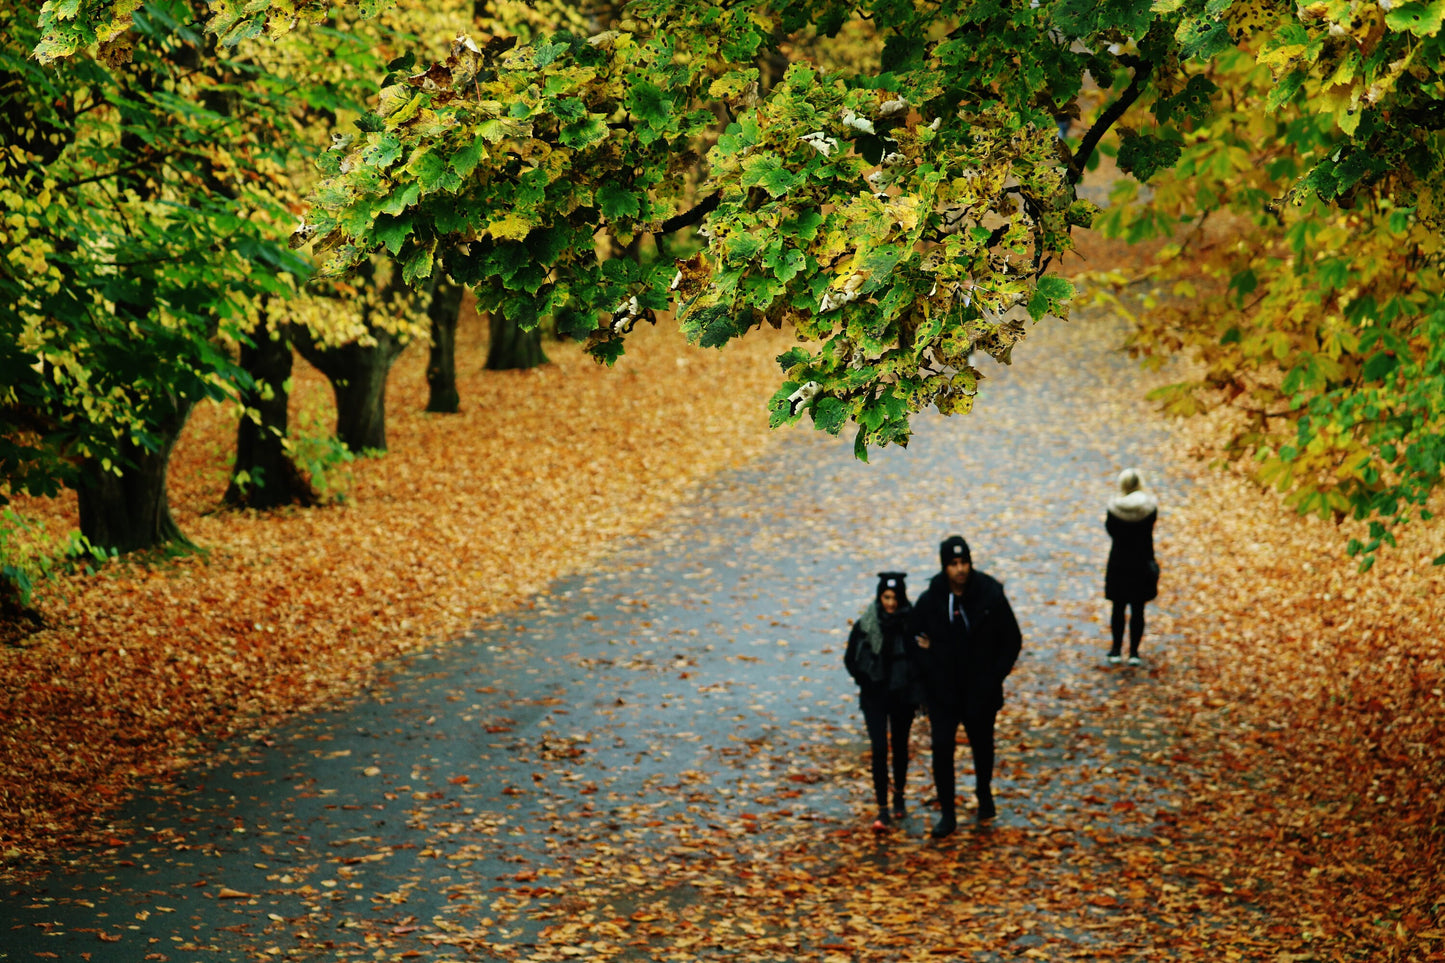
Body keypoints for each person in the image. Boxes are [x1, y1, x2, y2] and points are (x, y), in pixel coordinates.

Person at [909, 536, 1022, 837]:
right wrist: (928, 668)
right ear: (944, 566)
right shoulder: (932, 598)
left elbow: (1011, 639)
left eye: (964, 562)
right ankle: (948, 813)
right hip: (943, 691)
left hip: (980, 690)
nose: (960, 569)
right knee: (942, 749)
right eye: (953, 564)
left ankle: (984, 793)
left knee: (982, 745)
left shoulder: (989, 594)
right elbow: (913, 638)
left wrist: (993, 676)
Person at [843, 572, 922, 831]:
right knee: (879, 749)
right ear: (880, 597)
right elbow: (850, 658)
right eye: (886, 597)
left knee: (900, 746)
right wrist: (865, 680)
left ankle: (899, 795)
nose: (890, 603)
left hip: (902, 696)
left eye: (894, 598)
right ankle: (882, 808)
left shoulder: (912, 623)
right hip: (875, 696)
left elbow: (922, 657)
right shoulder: (867, 623)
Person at [1104, 468, 1159, 666]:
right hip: (1142, 560)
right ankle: (1134, 652)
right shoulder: (1149, 508)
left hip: (1119, 561)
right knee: (1138, 609)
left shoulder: (1114, 508)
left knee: (1118, 607)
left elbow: (1111, 531)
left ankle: (1116, 649)